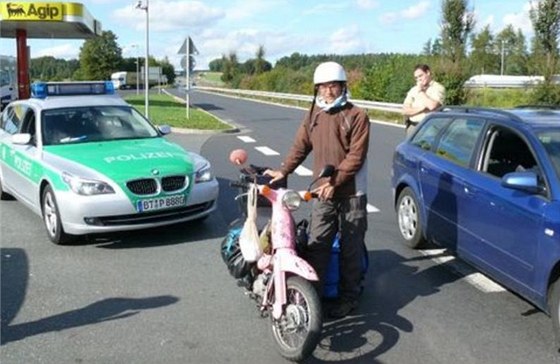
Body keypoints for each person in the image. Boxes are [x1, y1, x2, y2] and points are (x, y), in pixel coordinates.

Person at [265, 61, 369, 319]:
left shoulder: (357, 116)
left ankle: (349, 299)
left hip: (351, 194)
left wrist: (335, 182)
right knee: (317, 244)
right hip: (324, 193)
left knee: (350, 249)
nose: (327, 91)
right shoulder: (314, 114)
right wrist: (284, 170)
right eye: (322, 86)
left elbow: (356, 157)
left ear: (343, 86)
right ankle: (314, 297)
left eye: (332, 85)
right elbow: (301, 145)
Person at [402, 64, 445, 136]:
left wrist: (420, 92)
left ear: (428, 73)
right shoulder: (413, 90)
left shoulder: (437, 88)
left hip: (429, 128)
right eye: (416, 78)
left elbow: (432, 106)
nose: (419, 79)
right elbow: (405, 110)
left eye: (420, 76)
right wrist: (422, 108)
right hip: (412, 126)